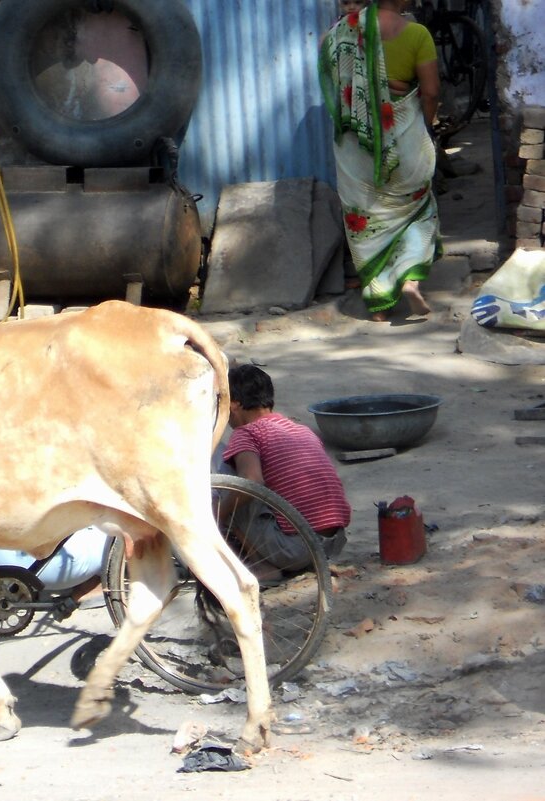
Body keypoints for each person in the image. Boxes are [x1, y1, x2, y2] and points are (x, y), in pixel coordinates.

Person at [319, 0, 442, 322]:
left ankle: (379, 306)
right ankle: (410, 278)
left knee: (365, 223)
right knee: (419, 211)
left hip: (354, 148)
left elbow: (337, 89)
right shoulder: (417, 34)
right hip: (405, 141)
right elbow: (430, 92)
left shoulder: (333, 37)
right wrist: (426, 124)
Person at [218, 364, 351, 575]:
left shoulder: (246, 433)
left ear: (233, 405)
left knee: (226, 475)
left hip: (294, 549)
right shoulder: (300, 429)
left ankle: (262, 567)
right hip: (331, 544)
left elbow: (252, 480)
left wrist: (217, 516)